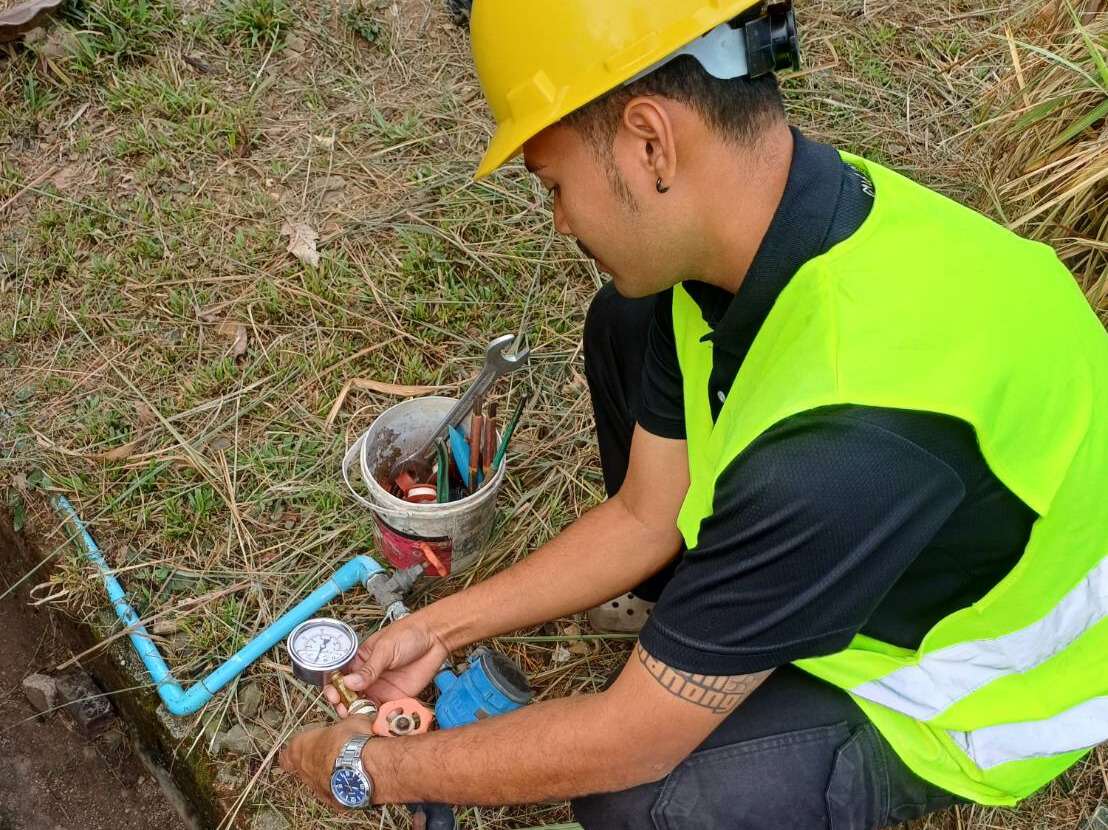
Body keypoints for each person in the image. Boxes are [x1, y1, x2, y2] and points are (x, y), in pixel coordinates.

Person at [279, 1, 1108, 827]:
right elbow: (647, 514)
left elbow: (632, 743)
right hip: (885, 550)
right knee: (625, 324)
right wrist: (441, 629)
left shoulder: (846, 445)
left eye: (555, 184)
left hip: (966, 694)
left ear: (651, 142)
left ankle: (729, 649)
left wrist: (370, 766)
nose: (561, 219)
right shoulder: (768, 223)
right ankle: (716, 621)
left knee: (645, 804)